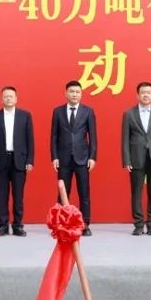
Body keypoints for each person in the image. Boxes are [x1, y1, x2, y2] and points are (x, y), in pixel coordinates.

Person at [121, 82, 151, 236]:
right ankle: (138, 224)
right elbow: (125, 139)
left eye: (148, 92)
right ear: (137, 95)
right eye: (143, 92)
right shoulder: (129, 114)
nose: (146, 95)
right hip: (136, 158)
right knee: (136, 193)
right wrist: (127, 160)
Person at [51, 80, 97, 236]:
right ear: (66, 93)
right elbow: (54, 136)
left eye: (77, 92)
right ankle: (60, 224)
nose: (74, 94)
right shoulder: (58, 111)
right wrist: (54, 156)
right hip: (63, 158)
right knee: (63, 192)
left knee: (84, 193)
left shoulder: (88, 111)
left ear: (81, 94)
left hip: (82, 158)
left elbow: (93, 136)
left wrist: (92, 157)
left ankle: (84, 224)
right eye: (71, 91)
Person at [0, 86, 34, 237]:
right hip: (1, 160)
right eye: (5, 96)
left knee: (18, 195)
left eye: (11, 96)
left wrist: (30, 160)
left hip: (19, 160)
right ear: (1, 99)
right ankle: (2, 226)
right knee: (2, 195)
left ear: (16, 99)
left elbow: (30, 140)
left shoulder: (25, 116)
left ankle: (18, 225)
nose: (8, 98)